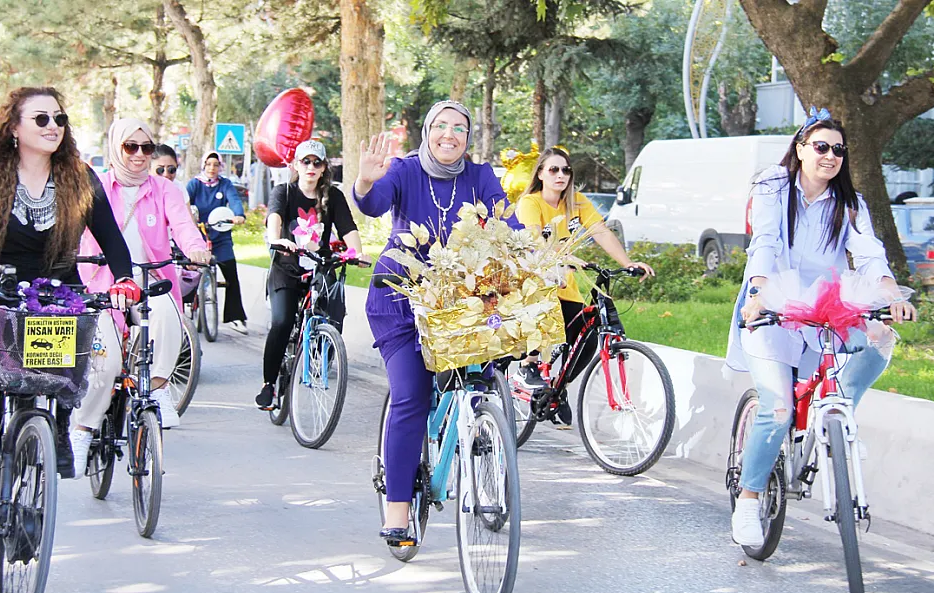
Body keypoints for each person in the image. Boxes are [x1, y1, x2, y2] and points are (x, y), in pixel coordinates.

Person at [0, 87, 135, 581]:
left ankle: (51, 426)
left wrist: (123, 280)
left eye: (59, 118)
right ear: (13, 128)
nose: (52, 126)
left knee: (62, 376)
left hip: (53, 306)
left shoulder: (80, 179)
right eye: (40, 119)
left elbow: (113, 241)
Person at [726, 108, 917, 549]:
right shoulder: (773, 187)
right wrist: (758, 292)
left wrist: (891, 295)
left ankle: (839, 411)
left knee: (881, 337)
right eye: (821, 147)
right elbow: (767, 241)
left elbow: (869, 254)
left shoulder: (849, 203)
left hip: (827, 303)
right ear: (800, 149)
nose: (831, 156)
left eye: (838, 150)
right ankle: (750, 501)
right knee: (776, 409)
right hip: (772, 301)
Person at [355, 100, 513, 544]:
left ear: (469, 136)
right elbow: (373, 203)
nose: (449, 134)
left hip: (460, 302)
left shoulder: (480, 177)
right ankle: (398, 509)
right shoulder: (405, 170)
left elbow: (507, 221)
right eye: (440, 126)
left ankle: (474, 438)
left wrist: (531, 254)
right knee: (411, 397)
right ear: (427, 131)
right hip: (401, 299)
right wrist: (366, 178)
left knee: (484, 373)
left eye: (459, 127)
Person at [67, 119, 212, 476]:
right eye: (130, 147)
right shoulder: (96, 186)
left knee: (168, 315)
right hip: (104, 285)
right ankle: (84, 427)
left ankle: (159, 385)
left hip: (151, 281)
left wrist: (196, 249)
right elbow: (72, 227)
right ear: (115, 147)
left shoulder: (165, 189)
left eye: (146, 148)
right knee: (107, 360)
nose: (139, 155)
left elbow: (183, 227)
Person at [511, 147, 654, 425]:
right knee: (544, 314)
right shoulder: (531, 202)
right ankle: (528, 365)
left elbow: (599, 231)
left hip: (566, 282)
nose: (560, 175)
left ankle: (557, 389)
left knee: (586, 339)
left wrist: (627, 262)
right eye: (553, 169)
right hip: (536, 280)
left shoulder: (576, 202)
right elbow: (534, 239)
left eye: (566, 170)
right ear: (540, 174)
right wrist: (563, 256)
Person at [255, 140, 368, 411]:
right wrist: (277, 240)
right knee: (282, 322)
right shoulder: (284, 191)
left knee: (336, 311)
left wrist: (358, 252)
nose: (311, 167)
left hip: (320, 267)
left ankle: (323, 353)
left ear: (323, 168)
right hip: (287, 268)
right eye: (305, 161)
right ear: (296, 165)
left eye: (316, 162)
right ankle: (268, 384)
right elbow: (275, 219)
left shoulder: (334, 196)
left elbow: (348, 228)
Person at [187, 151, 248, 334]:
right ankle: (188, 308)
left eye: (215, 165)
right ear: (203, 165)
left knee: (231, 273)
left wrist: (238, 215)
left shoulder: (225, 184)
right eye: (209, 164)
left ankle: (235, 317)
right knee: (189, 272)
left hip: (221, 235)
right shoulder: (195, 184)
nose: (212, 168)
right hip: (199, 235)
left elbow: (235, 200)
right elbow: (184, 202)